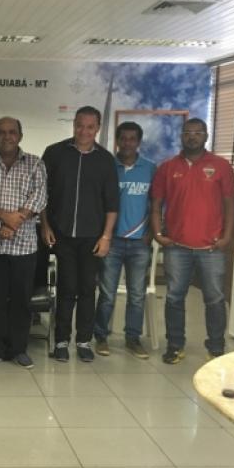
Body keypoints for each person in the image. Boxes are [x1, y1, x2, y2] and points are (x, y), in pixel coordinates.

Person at [151, 118, 234, 364]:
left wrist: (228, 236)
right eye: (188, 132)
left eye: (198, 132)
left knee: (215, 299)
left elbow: (231, 204)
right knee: (174, 298)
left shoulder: (221, 166)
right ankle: (175, 346)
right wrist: (157, 233)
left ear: (206, 135)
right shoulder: (167, 167)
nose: (192, 136)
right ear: (181, 136)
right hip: (177, 247)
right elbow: (156, 204)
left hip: (212, 248)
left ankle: (216, 348)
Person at [41, 106, 119, 362]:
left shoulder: (105, 160)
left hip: (92, 237)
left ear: (97, 128)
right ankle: (61, 340)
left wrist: (106, 237)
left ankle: (84, 341)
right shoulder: (55, 153)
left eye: (89, 127)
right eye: (79, 125)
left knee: (87, 289)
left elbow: (112, 203)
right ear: (73, 124)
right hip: (61, 234)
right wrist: (45, 225)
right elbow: (41, 195)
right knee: (66, 288)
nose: (83, 131)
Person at [0, 117, 47, 368]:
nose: (7, 136)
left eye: (12, 132)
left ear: (20, 136)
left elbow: (39, 198)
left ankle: (19, 349)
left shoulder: (35, 164)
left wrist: (15, 222)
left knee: (21, 300)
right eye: (1, 132)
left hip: (24, 246)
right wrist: (6, 217)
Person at [93, 121, 157, 359]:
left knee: (137, 295)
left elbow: (157, 204)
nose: (127, 143)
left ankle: (133, 338)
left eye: (132, 139)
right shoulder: (107, 166)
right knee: (107, 294)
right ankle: (101, 336)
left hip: (140, 243)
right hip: (112, 241)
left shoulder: (150, 169)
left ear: (138, 142)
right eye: (123, 138)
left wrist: (152, 232)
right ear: (117, 140)